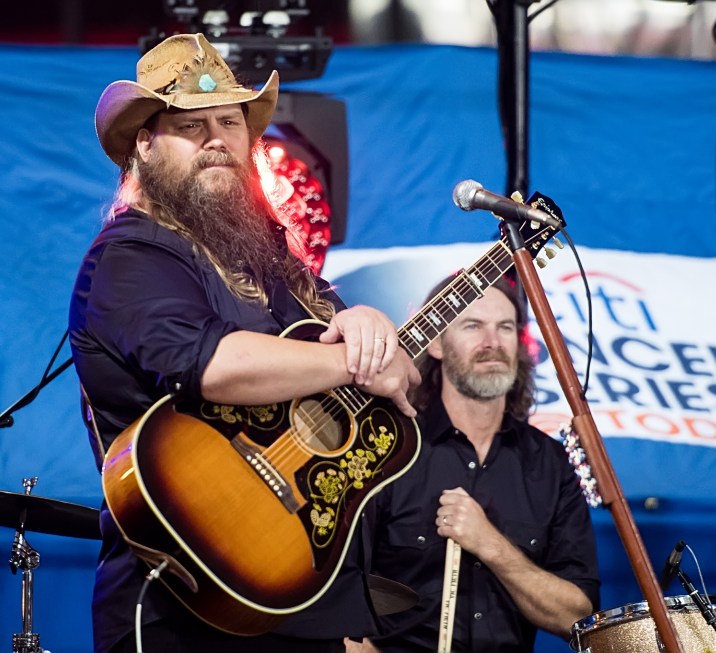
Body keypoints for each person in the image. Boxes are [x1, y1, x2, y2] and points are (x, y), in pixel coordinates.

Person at [68, 33, 420, 653]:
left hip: (293, 595)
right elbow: (216, 366)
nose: (216, 139)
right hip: (180, 606)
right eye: (190, 124)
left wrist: (368, 324)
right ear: (144, 144)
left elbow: (382, 373)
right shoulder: (131, 254)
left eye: (229, 121)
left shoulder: (268, 255)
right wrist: (349, 360)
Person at [350, 274, 600, 652]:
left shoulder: (549, 463)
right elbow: (332, 596)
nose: (492, 343)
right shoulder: (390, 447)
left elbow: (578, 618)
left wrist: (490, 544)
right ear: (434, 343)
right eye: (472, 326)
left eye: (505, 327)